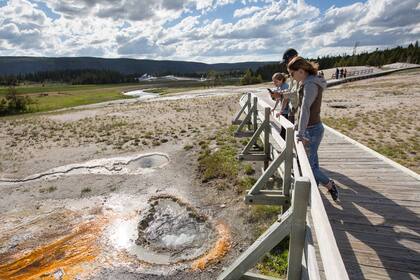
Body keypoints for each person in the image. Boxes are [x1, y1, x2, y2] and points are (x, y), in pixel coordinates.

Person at [287, 56, 339, 201]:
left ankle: (329, 185)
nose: (292, 77)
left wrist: (301, 133)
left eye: (292, 73)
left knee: (308, 166)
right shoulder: (308, 81)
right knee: (313, 163)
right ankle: (314, 190)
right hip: (312, 128)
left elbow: (305, 110)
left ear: (301, 71)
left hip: (312, 131)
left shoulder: (310, 85)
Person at [281, 48, 299, 123]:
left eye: (286, 62)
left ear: (292, 58)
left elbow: (298, 93)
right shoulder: (292, 73)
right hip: (293, 110)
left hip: (301, 112)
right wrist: (283, 92)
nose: (286, 65)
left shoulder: (300, 73)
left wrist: (282, 95)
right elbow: (291, 89)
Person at [269, 72, 289, 138]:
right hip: (284, 110)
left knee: (286, 128)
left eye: (276, 82)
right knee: (283, 127)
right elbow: (278, 98)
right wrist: (274, 108)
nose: (274, 84)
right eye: (273, 82)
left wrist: (281, 111)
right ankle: (284, 142)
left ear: (281, 80)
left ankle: (285, 143)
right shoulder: (280, 86)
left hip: (289, 111)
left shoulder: (285, 87)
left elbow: (285, 100)